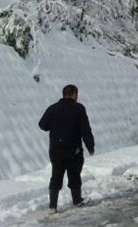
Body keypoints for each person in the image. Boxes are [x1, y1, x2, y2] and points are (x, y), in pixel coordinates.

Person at [38, 84, 95, 213]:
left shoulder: (52, 108)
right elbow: (85, 130)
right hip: (73, 150)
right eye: (77, 94)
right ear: (74, 94)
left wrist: (56, 126)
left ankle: (53, 206)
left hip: (56, 149)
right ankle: (77, 200)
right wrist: (90, 146)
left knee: (56, 176)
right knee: (74, 175)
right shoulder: (79, 108)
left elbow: (42, 125)